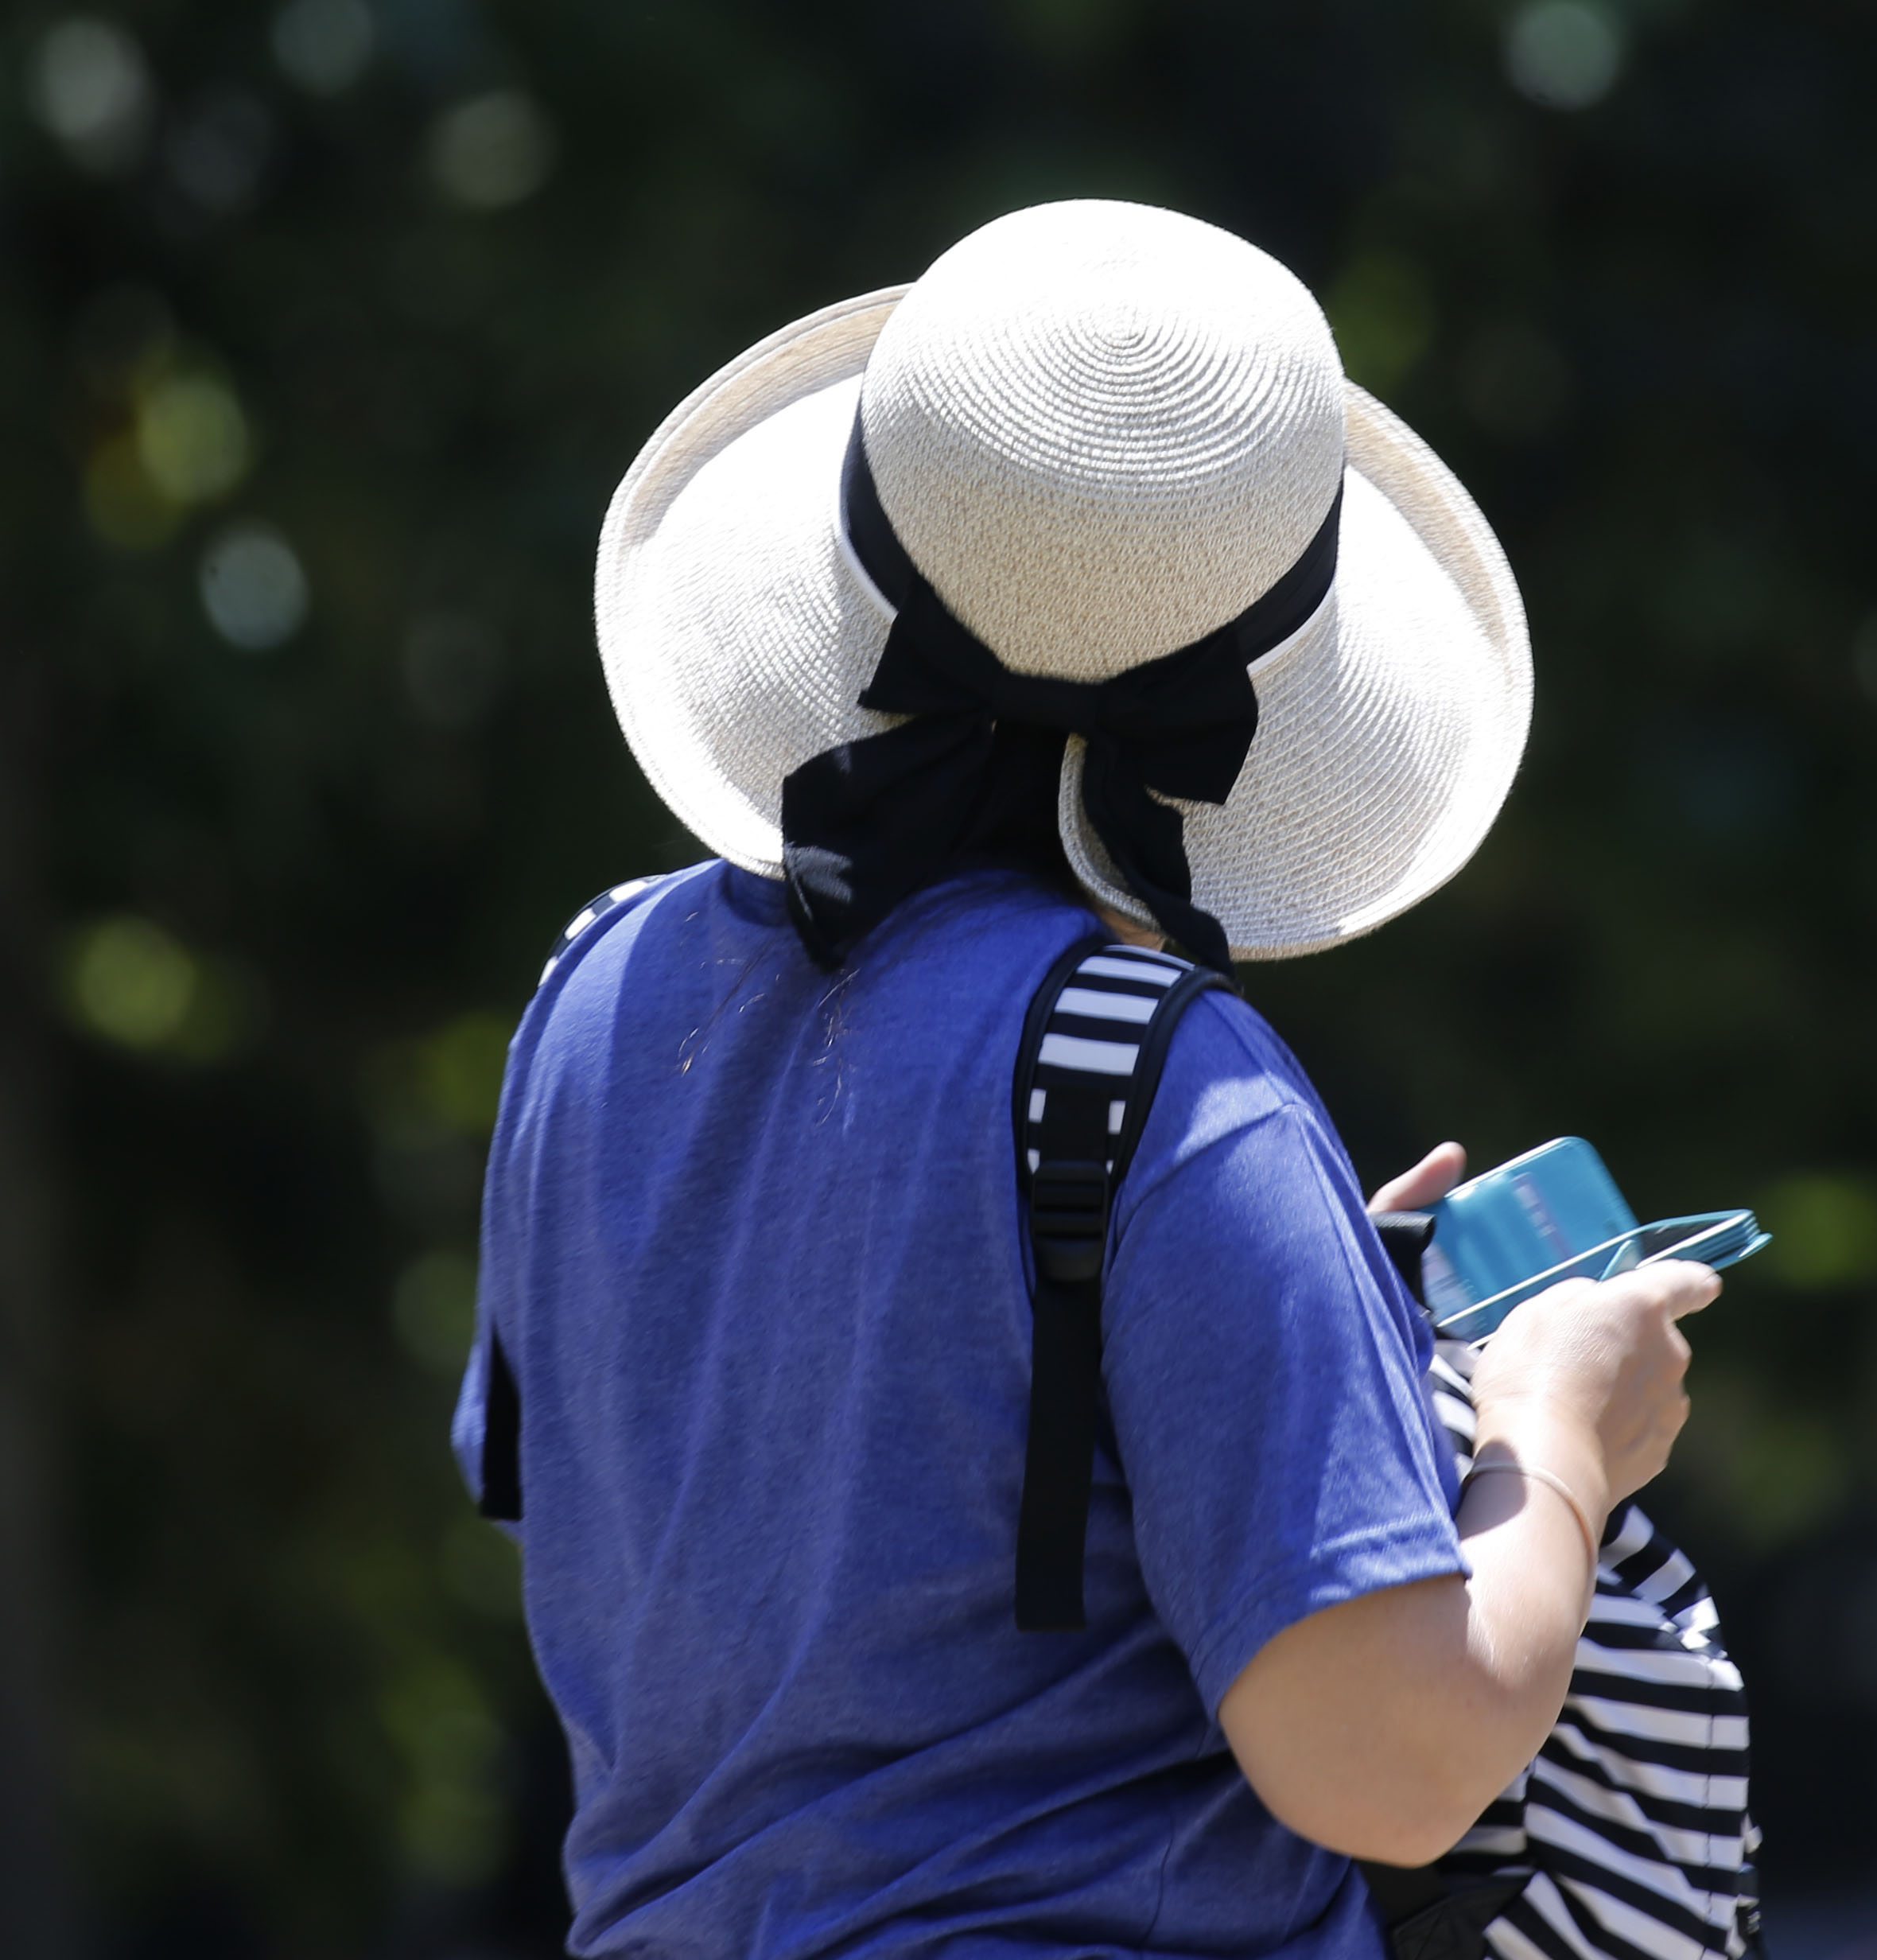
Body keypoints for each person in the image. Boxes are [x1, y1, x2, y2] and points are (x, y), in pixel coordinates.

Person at [456, 201, 1718, 1960]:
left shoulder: (593, 983)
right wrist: (1556, 1441)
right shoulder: (1171, 1095)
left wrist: (1279, 1307)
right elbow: (1390, 1760)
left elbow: (771, 1487)